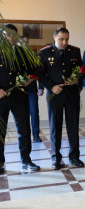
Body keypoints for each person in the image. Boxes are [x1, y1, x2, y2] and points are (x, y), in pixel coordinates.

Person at [37, 27, 84, 170]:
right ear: (54, 37)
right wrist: (52, 87)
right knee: (55, 128)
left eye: (66, 39)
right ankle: (55, 158)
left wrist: (77, 79)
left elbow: (81, 71)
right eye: (61, 39)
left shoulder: (75, 51)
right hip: (55, 95)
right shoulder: (44, 53)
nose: (64, 42)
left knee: (73, 126)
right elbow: (40, 74)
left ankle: (74, 157)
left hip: (71, 95)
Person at [0, 24, 41, 174]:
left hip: (19, 96)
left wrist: (30, 79)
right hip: (1, 97)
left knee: (24, 129)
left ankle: (26, 160)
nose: (11, 37)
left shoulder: (23, 52)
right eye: (8, 34)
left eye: (13, 35)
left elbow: (33, 70)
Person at [22, 35, 44, 143]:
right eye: (23, 41)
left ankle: (36, 135)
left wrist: (41, 87)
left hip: (31, 87)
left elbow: (39, 72)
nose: (25, 43)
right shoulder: (14, 56)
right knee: (22, 113)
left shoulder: (34, 55)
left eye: (27, 41)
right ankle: (25, 136)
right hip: (19, 89)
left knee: (34, 111)